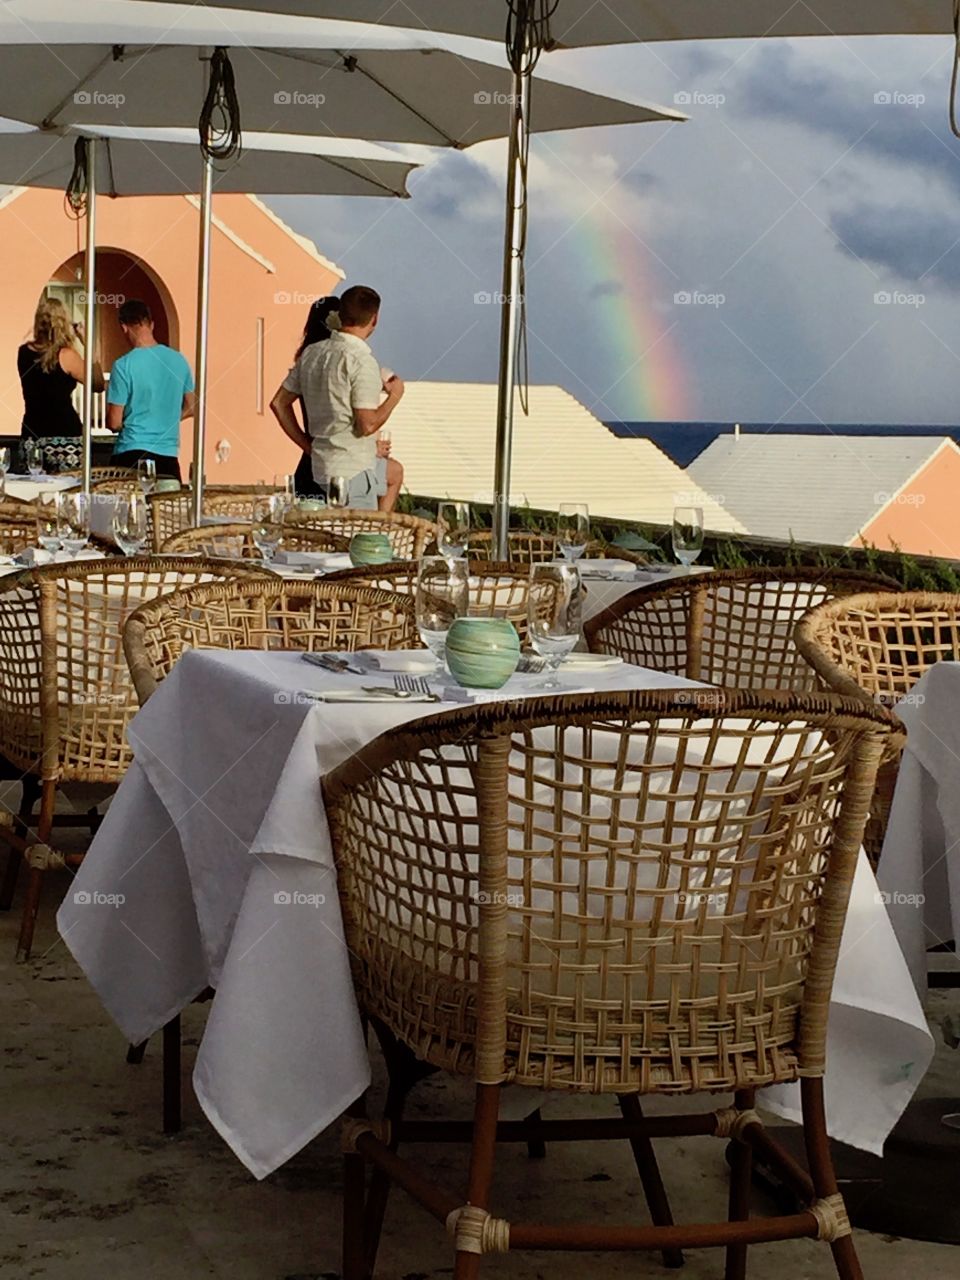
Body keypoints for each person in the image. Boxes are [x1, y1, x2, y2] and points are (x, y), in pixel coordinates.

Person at [270, 285, 404, 511]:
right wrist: (395, 397)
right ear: (375, 318)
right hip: (354, 473)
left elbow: (279, 403)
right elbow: (367, 424)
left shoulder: (312, 353)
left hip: (319, 468)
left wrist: (308, 445)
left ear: (340, 315)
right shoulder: (362, 361)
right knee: (359, 543)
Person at [105, 299, 195, 480]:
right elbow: (192, 406)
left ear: (124, 327)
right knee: (165, 507)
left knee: (126, 507)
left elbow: (114, 422)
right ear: (151, 324)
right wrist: (166, 419)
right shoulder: (179, 361)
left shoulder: (124, 365)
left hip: (131, 453)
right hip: (168, 456)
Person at [17, 298, 105, 473]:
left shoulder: (24, 353)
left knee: (33, 490)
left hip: (33, 433)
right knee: (68, 488)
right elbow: (97, 384)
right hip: (65, 436)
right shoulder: (66, 355)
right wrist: (88, 344)